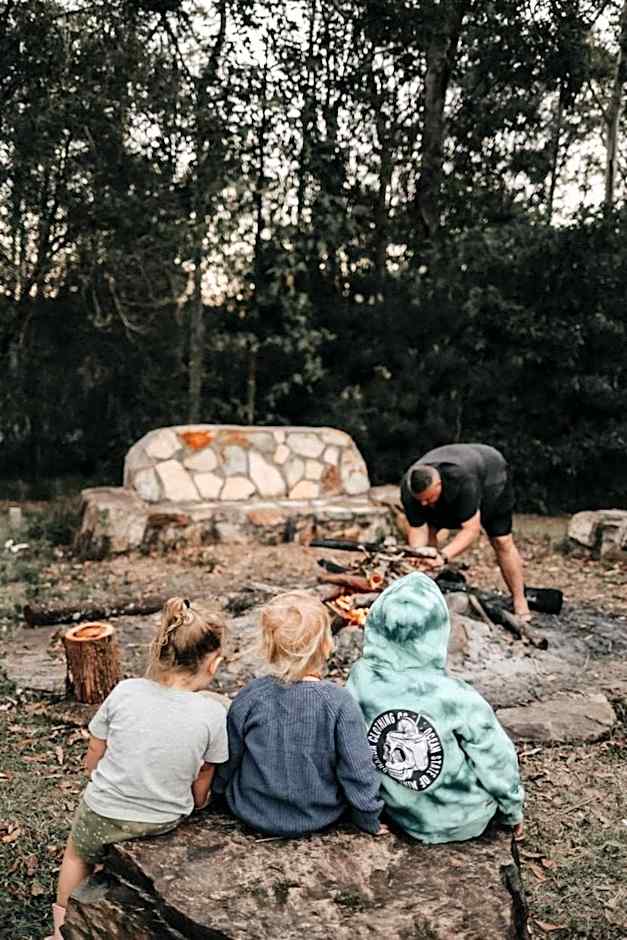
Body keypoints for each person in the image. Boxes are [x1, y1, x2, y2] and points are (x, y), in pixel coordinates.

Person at [46, 597, 228, 940]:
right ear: (214, 664)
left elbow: (96, 745)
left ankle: (60, 930)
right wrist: (199, 800)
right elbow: (206, 771)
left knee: (76, 856)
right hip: (163, 818)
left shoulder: (125, 691)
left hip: (104, 811)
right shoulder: (213, 714)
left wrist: (92, 771)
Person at [347, 572, 525, 844]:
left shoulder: (360, 678)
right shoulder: (456, 696)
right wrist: (512, 810)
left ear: (375, 626)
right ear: (439, 632)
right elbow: (497, 759)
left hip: (400, 813)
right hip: (466, 819)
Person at [214, 590, 383, 837]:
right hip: (318, 815)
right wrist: (368, 819)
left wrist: (216, 794)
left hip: (251, 810)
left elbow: (229, 757)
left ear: (268, 646)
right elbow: (357, 770)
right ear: (327, 645)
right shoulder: (339, 703)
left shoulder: (250, 696)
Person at [400, 442, 530, 621]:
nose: (423, 503)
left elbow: (471, 530)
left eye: (428, 498)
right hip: (455, 486)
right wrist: (419, 554)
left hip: (492, 479)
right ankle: (427, 596)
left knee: (501, 541)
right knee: (428, 540)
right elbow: (417, 528)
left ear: (438, 484)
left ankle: (520, 601)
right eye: (420, 500)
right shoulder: (409, 489)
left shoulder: (464, 481)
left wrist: (443, 556)